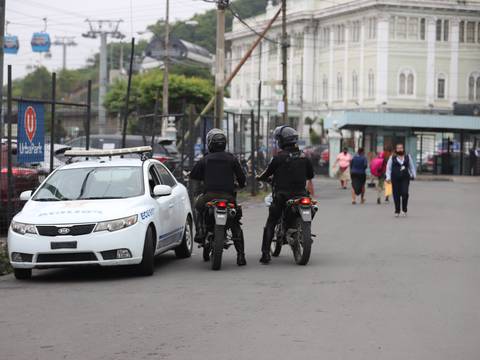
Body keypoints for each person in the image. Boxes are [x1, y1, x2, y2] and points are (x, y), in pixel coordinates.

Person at [256, 125, 315, 265]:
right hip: (301, 196)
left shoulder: (278, 158)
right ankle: (302, 231)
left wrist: (260, 178)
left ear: (281, 141)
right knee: (312, 207)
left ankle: (265, 254)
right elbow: (310, 175)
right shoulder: (304, 157)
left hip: (282, 196)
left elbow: (267, 174)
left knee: (271, 222)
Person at [189, 128, 247, 266]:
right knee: (235, 224)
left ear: (210, 143)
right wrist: (239, 185)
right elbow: (242, 179)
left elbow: (194, 176)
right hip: (229, 198)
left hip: (209, 197)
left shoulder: (205, 159)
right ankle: (241, 256)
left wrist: (198, 187)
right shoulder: (232, 158)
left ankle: (200, 233)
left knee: (197, 207)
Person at [386, 143, 416, 217]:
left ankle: (404, 209)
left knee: (405, 193)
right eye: (398, 148)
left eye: (401, 148)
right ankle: (397, 210)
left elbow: (411, 166)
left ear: (403, 149)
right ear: (396, 149)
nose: (400, 149)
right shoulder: (392, 158)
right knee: (396, 194)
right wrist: (388, 177)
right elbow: (388, 168)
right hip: (395, 179)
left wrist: (413, 174)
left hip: (405, 178)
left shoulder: (407, 157)